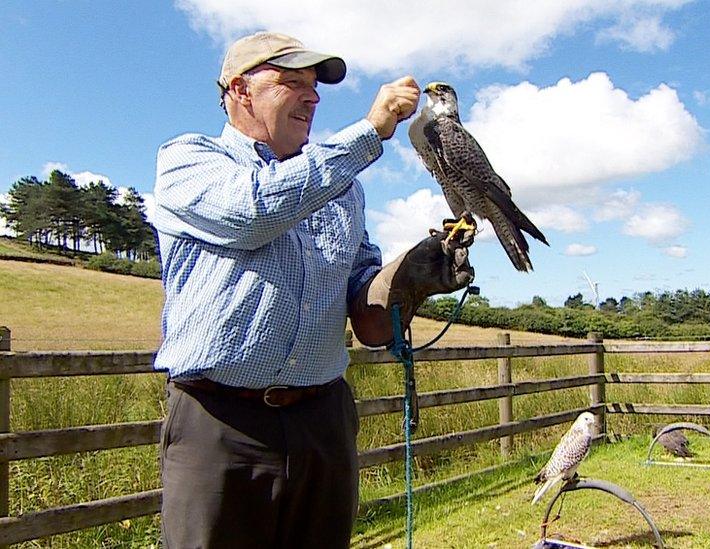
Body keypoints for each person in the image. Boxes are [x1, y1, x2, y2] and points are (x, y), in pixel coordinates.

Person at [152, 31, 474, 548]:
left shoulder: (343, 187)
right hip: (219, 424)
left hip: (323, 420)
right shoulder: (189, 161)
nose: (313, 97)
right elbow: (253, 212)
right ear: (239, 89)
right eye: (292, 82)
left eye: (315, 86)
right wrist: (370, 131)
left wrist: (409, 277)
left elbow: (368, 322)